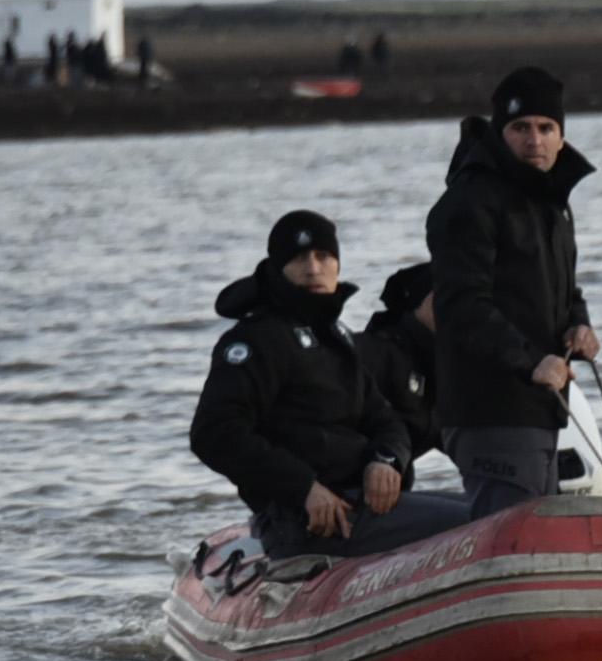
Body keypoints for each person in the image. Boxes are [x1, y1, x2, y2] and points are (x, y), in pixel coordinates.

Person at [190, 211, 467, 559]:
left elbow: (384, 419)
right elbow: (214, 433)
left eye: (324, 256)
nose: (313, 268)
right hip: (308, 518)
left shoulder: (337, 339)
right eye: (299, 258)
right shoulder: (256, 340)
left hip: (362, 503)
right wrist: (303, 487)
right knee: (478, 521)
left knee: (491, 507)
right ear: (278, 269)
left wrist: (386, 460)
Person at [426, 66, 597, 517]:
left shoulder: (551, 201)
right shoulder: (470, 202)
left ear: (561, 136)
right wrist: (529, 362)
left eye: (546, 128)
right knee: (515, 541)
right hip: (490, 409)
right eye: (520, 128)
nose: (534, 140)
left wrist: (579, 323)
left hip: (539, 406)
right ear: (501, 134)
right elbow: (462, 305)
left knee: (541, 534)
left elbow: (562, 288)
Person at [354, 261, 441, 464]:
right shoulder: (375, 352)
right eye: (442, 294)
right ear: (417, 303)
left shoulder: (439, 361)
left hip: (393, 484)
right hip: (350, 483)